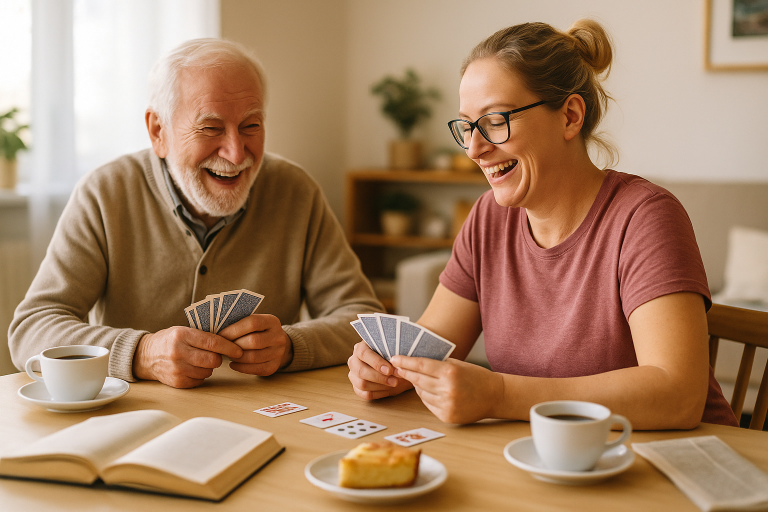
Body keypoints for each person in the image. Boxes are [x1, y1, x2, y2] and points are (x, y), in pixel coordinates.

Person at [347, 19, 738, 429]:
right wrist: (388, 370)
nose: (475, 149)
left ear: (570, 116)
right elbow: (426, 351)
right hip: (553, 461)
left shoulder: (646, 217)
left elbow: (678, 394)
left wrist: (499, 394)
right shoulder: (487, 219)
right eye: (467, 126)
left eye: (495, 120)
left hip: (675, 467)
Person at [10, 39, 383, 388]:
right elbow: (32, 330)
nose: (236, 154)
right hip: (134, 419)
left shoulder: (295, 191)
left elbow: (363, 318)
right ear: (159, 131)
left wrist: (290, 345)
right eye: (210, 128)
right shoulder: (105, 193)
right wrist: (140, 353)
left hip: (258, 414)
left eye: (251, 126)